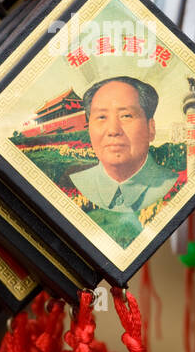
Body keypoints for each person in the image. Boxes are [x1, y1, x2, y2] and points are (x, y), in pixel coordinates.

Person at [67, 76, 179, 246]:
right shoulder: (73, 184)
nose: (113, 130)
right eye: (101, 117)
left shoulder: (176, 187)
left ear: (151, 128)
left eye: (126, 116)